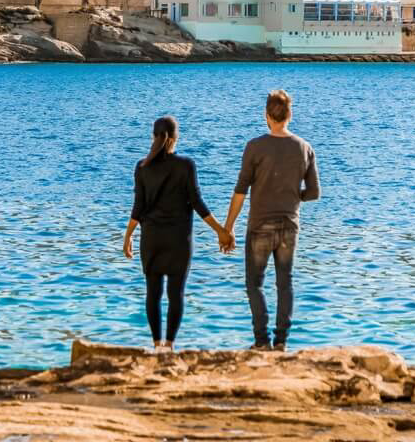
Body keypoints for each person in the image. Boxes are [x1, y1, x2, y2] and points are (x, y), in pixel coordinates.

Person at [123, 116, 234, 351]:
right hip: (179, 241)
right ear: (175, 138)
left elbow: (138, 207)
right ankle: (169, 346)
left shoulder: (142, 167)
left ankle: (156, 345)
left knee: (153, 293)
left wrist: (128, 236)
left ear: (154, 137)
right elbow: (198, 203)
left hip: (151, 240)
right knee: (176, 294)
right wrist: (221, 231)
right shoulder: (186, 165)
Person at [223, 90, 320, 351]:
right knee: (284, 283)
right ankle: (281, 343)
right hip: (290, 226)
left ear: (267, 116)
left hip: (259, 226)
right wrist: (292, 195)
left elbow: (241, 190)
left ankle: (261, 341)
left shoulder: (255, 147)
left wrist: (228, 228)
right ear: (290, 115)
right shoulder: (304, 148)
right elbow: (313, 193)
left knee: (254, 283)